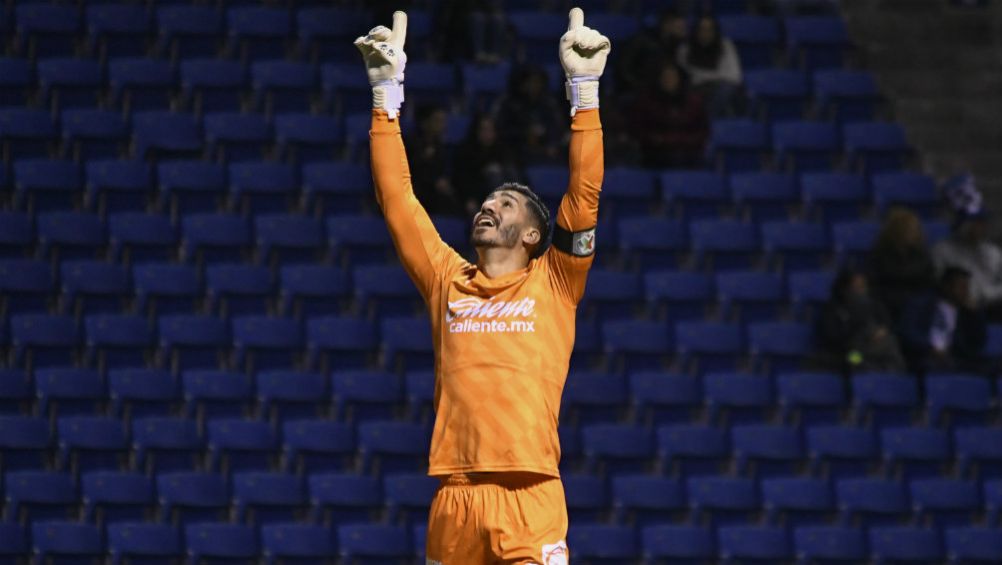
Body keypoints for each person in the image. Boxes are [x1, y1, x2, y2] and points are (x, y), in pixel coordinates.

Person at [355, 8, 609, 563]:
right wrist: (384, 96)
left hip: (532, 492)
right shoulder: (447, 279)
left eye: (507, 203)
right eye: (488, 201)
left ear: (535, 233)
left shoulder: (557, 279)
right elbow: (397, 201)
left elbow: (584, 195)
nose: (489, 206)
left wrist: (584, 92)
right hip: (456, 497)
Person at [898, 266, 988, 374]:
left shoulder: (966, 312)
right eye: (961, 287)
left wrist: (975, 316)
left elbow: (976, 344)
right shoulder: (921, 304)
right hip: (924, 357)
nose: (966, 292)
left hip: (955, 359)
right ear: (946, 286)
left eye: (967, 287)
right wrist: (931, 347)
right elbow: (908, 332)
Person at [815, 267, 906, 374]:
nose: (860, 291)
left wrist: (881, 331)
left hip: (875, 348)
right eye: (856, 287)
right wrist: (858, 335)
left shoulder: (874, 304)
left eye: (863, 286)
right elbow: (833, 337)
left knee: (893, 354)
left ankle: (892, 380)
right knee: (857, 361)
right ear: (845, 288)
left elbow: (886, 323)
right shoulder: (833, 309)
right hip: (848, 352)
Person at [631, 61, 708, 169]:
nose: (669, 80)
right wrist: (658, 140)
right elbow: (639, 130)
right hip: (656, 153)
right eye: (665, 77)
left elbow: (702, 131)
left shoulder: (693, 102)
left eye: (672, 77)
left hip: (688, 152)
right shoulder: (647, 102)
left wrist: (682, 141)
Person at [867, 207, 935, 322]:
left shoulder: (921, 254)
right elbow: (876, 285)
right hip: (890, 305)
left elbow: (928, 280)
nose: (915, 233)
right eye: (910, 229)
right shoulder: (880, 255)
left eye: (916, 229)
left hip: (918, 305)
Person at [495, 64, 565, 166]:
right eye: (531, 82)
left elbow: (558, 128)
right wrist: (525, 133)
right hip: (517, 150)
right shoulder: (509, 103)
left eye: (538, 82)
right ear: (522, 83)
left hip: (546, 150)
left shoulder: (549, 104)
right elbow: (502, 130)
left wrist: (551, 142)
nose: (534, 86)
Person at [451, 113, 520, 216]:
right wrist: (468, 199)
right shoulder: (465, 153)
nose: (487, 133)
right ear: (476, 131)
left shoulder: (502, 151)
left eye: (490, 130)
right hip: (476, 199)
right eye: (483, 130)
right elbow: (461, 179)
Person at [677, 15, 743, 117]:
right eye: (702, 29)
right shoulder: (685, 48)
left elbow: (735, 75)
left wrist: (710, 78)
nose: (706, 32)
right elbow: (689, 75)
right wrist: (715, 77)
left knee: (728, 90)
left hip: (721, 87)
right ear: (696, 30)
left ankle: (706, 119)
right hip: (696, 88)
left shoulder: (726, 45)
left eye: (709, 29)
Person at [404, 104, 463, 216]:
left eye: (442, 121)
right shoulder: (410, 144)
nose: (441, 125)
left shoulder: (440, 146)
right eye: (437, 120)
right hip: (415, 191)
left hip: (434, 194)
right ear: (425, 123)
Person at [615, 9, 688, 93]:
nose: (684, 31)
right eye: (680, 28)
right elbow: (623, 68)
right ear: (667, 25)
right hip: (639, 91)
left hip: (661, 91)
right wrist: (638, 86)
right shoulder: (643, 41)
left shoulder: (676, 46)